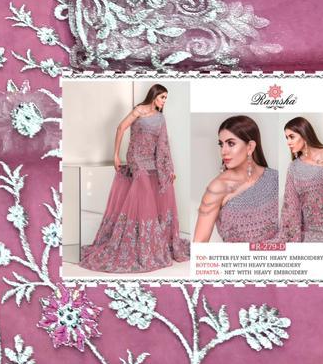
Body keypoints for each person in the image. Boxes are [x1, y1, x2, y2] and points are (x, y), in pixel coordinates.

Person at [79, 84, 189, 273]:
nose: (164, 101)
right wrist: (115, 154)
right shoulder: (139, 110)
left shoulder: (161, 118)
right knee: (143, 194)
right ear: (154, 96)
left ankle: (148, 241)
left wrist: (168, 168)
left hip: (153, 160)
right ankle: (137, 242)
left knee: (154, 196)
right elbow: (120, 128)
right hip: (136, 158)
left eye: (166, 98)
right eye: (162, 97)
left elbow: (163, 144)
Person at [193, 115, 279, 243]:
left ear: (250, 147)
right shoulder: (218, 188)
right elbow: (199, 242)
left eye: (231, 143)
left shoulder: (275, 178)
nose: (223, 151)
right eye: (221, 144)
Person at [279, 116, 323, 242]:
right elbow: (291, 205)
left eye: (292, 137)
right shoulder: (294, 167)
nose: (288, 142)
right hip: (308, 234)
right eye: (286, 138)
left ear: (304, 134)